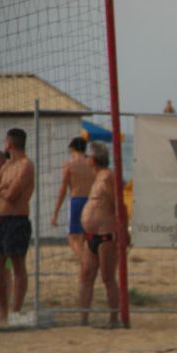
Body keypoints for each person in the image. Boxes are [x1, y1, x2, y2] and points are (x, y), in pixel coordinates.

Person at [78, 141, 121, 327]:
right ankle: (83, 319)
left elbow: (119, 205)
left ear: (93, 159)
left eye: (87, 156)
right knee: (86, 276)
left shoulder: (107, 177)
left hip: (105, 235)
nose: (85, 159)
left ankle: (113, 318)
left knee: (107, 277)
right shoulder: (97, 177)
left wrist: (122, 231)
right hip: (91, 235)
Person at [0, 128, 35, 324]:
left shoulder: (25, 165)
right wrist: (3, 188)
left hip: (16, 220)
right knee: (1, 267)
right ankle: (3, 312)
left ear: (10, 143)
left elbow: (12, 195)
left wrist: (3, 189)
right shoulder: (6, 166)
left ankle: (15, 311)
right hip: (2, 220)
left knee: (17, 266)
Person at [52, 137, 96, 259]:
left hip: (77, 201)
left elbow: (63, 190)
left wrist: (55, 213)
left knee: (73, 238)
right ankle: (86, 263)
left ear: (72, 149)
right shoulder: (92, 164)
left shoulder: (69, 165)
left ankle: (85, 262)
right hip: (92, 201)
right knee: (84, 237)